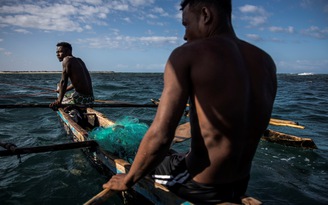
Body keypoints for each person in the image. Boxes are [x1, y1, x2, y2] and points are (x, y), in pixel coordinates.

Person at [103, 0, 277, 204]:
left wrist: (128, 179)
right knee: (173, 156)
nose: (185, 35)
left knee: (135, 158)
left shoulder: (186, 54)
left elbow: (161, 135)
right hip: (239, 182)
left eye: (186, 24)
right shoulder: (266, 61)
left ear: (205, 14)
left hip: (199, 184)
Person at [49, 42, 94, 108]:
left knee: (60, 96)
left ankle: (72, 109)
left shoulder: (67, 59)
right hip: (90, 99)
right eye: (57, 52)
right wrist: (64, 90)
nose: (58, 54)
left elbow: (63, 82)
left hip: (81, 99)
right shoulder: (79, 60)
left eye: (60, 52)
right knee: (64, 93)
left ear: (68, 51)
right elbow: (77, 82)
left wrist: (59, 101)